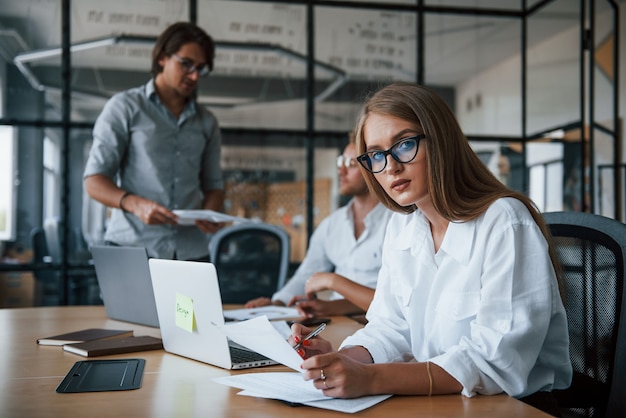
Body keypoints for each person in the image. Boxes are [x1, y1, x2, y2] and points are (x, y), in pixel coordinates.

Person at [291, 83, 572, 414]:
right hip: (438, 402)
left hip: (509, 407)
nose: (391, 167)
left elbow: (494, 363)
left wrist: (370, 378)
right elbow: (390, 328)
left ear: (440, 141)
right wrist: (343, 359)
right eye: (377, 155)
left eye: (405, 144)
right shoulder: (403, 226)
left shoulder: (504, 222)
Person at [83, 22, 224, 260]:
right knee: (131, 301)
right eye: (186, 64)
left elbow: (214, 186)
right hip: (132, 249)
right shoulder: (125, 108)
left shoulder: (207, 122)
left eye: (201, 68)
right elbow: (94, 181)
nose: (194, 75)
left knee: (188, 301)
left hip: (191, 254)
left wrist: (210, 212)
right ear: (162, 57)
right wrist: (135, 204)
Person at [245, 136, 393, 318]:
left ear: (374, 170)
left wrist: (333, 285)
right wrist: (277, 303)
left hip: (377, 321)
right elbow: (307, 273)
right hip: (336, 319)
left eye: (351, 164)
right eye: (341, 162)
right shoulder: (332, 224)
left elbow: (395, 300)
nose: (341, 170)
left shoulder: (396, 222)